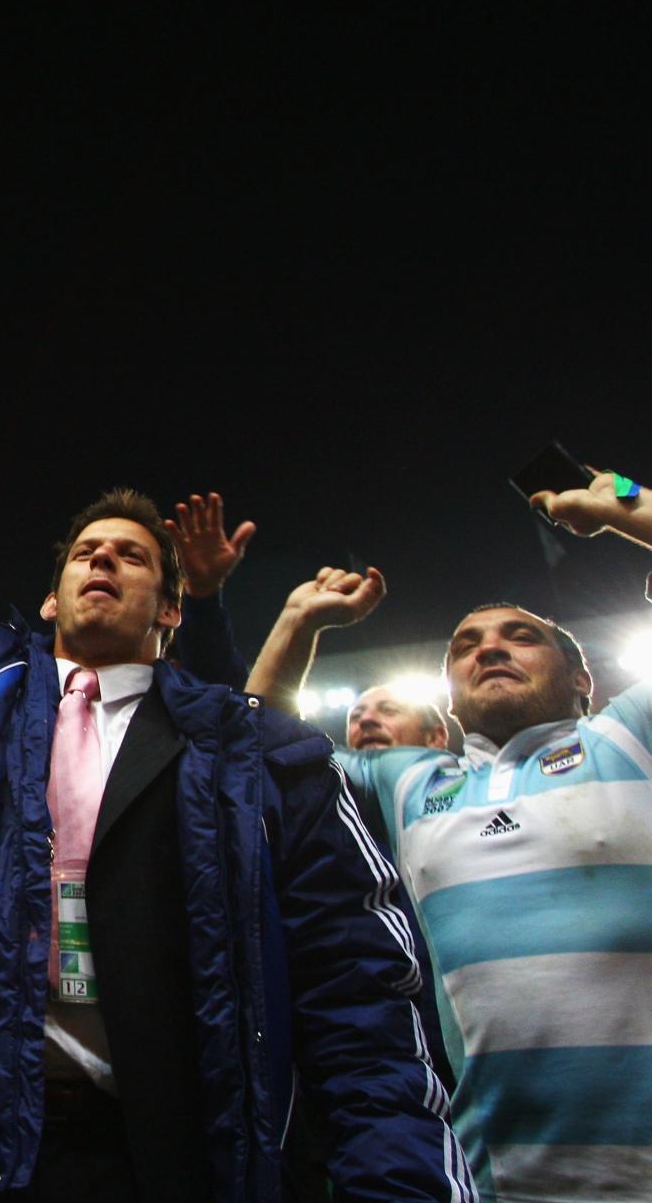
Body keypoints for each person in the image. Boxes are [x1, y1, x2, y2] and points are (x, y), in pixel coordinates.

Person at [0, 489, 470, 1200]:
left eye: (132, 556)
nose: (103, 560)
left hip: (167, 1159)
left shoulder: (256, 752)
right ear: (52, 601)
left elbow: (357, 989)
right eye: (86, 552)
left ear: (171, 609)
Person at [246, 467, 652, 1201]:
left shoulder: (633, 737)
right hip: (488, 1180)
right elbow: (262, 743)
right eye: (465, 645)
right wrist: (298, 622)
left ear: (582, 676)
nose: (488, 649)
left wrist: (623, 504)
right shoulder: (408, 781)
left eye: (519, 636)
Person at [348, 684, 452, 751]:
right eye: (356, 716)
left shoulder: (466, 784)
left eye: (389, 710)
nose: (365, 719)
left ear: (434, 738)